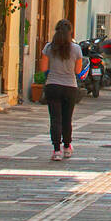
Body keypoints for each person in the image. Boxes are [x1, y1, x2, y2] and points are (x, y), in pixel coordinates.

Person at [39, 19, 83, 162]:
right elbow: (78, 70)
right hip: (70, 86)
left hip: (53, 85)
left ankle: (56, 150)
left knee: (55, 119)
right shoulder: (76, 49)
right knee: (67, 119)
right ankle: (67, 146)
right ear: (70, 32)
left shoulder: (49, 48)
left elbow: (43, 68)